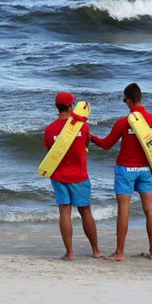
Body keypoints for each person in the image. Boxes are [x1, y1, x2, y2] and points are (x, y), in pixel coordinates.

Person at [91, 82, 152, 261]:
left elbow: (107, 144)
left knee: (124, 209)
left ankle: (120, 253)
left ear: (129, 100)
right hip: (146, 170)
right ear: (141, 98)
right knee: (150, 210)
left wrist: (92, 137)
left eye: (125, 101)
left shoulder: (124, 122)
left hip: (126, 170)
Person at [43, 91, 101, 260]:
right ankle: (96, 251)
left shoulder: (49, 129)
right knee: (86, 211)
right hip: (79, 175)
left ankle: (69, 253)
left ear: (57, 107)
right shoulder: (83, 126)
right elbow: (86, 145)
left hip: (59, 176)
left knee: (64, 212)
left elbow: (50, 153)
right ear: (70, 106)